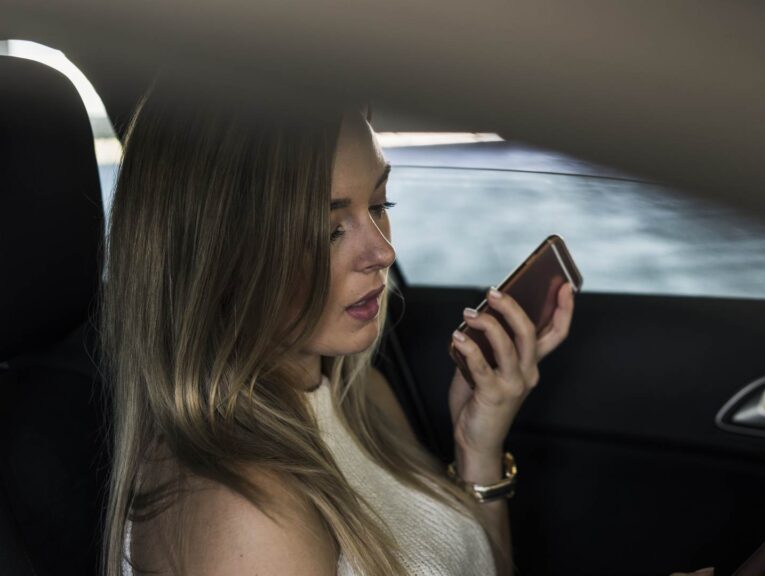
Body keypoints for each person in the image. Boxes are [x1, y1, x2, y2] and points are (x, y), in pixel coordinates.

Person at [100, 82, 576, 576]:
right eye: (328, 231)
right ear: (218, 259)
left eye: (379, 205)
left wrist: (478, 450)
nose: (383, 253)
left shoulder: (359, 395)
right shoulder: (247, 515)